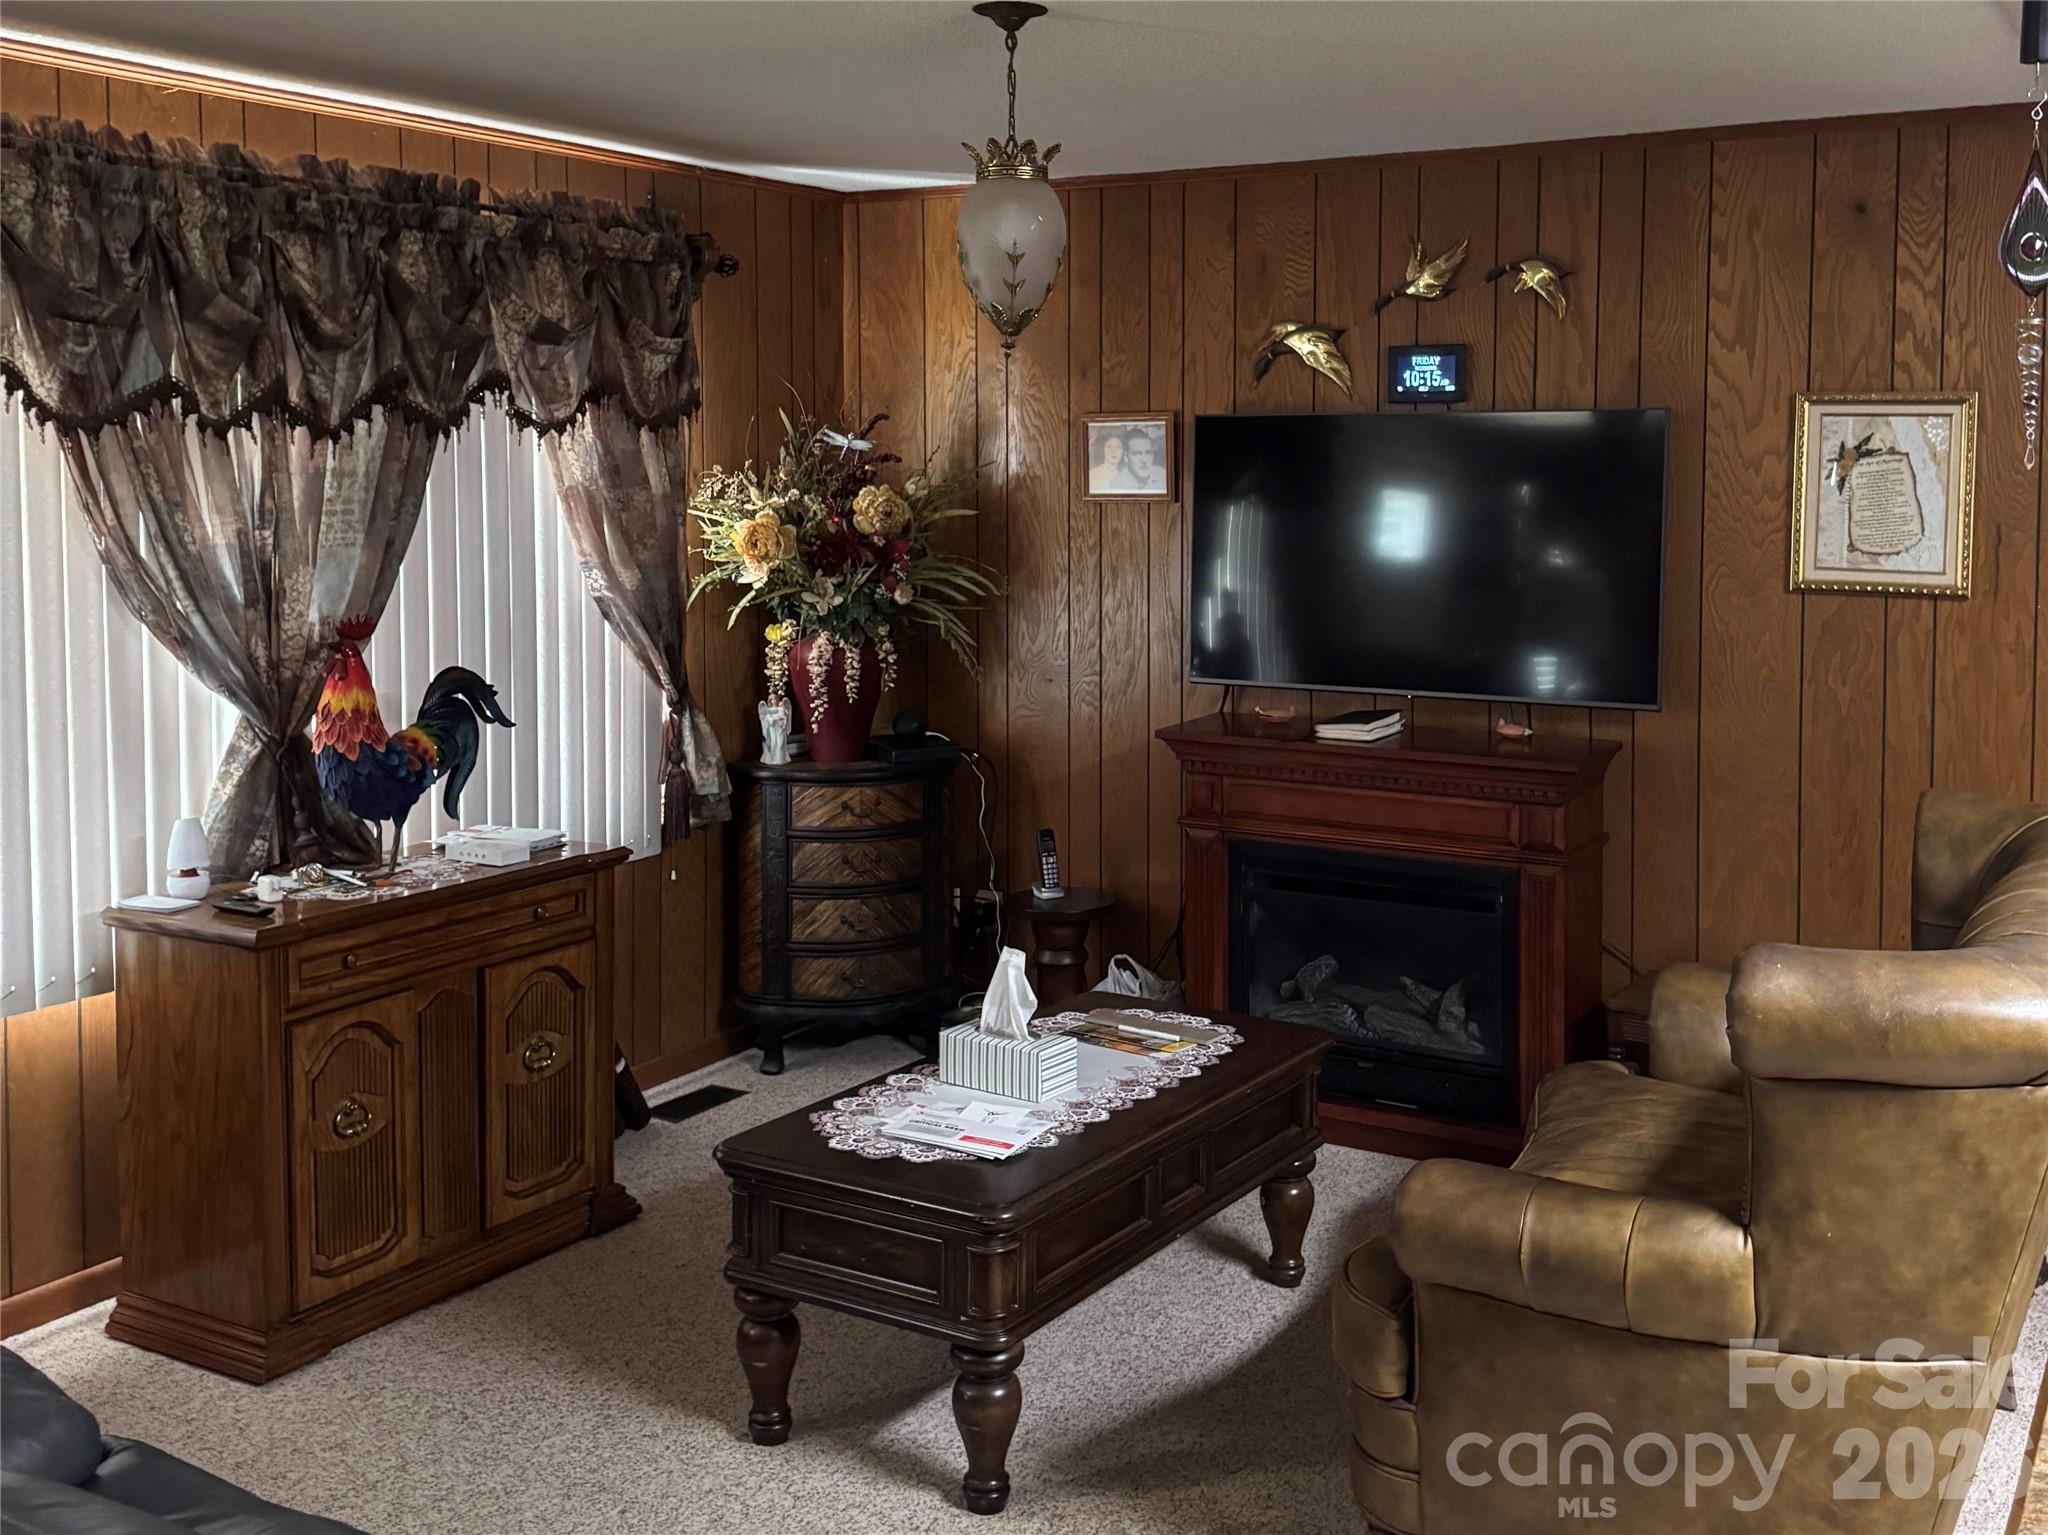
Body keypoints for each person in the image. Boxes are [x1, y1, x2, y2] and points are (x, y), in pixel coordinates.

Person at [1119, 428, 1167, 493]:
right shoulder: (1117, 485)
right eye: (1137, 454)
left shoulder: (1163, 475)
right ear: (1126, 457)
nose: (1144, 460)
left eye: (1148, 453)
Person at [1089, 430, 1125, 494]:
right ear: (1102, 450)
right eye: (1109, 447)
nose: (1113, 451)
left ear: (1123, 452)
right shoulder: (1092, 475)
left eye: (1118, 447)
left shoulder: (1125, 476)